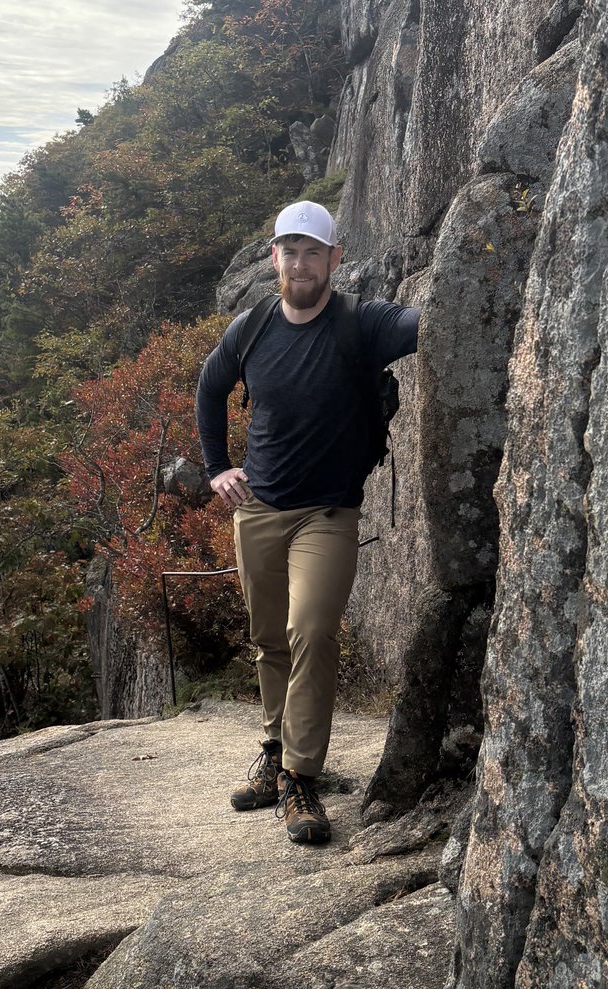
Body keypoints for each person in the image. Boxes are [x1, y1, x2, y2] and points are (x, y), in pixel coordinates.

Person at [194, 200, 419, 844]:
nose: (300, 264)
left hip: (327, 513)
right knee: (269, 639)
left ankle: (300, 778)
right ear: (274, 259)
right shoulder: (253, 326)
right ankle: (273, 751)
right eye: (289, 252)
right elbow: (210, 389)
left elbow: (429, 321)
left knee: (312, 631)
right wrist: (217, 468)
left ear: (334, 260)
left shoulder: (361, 323)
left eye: (312, 252)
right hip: (259, 509)